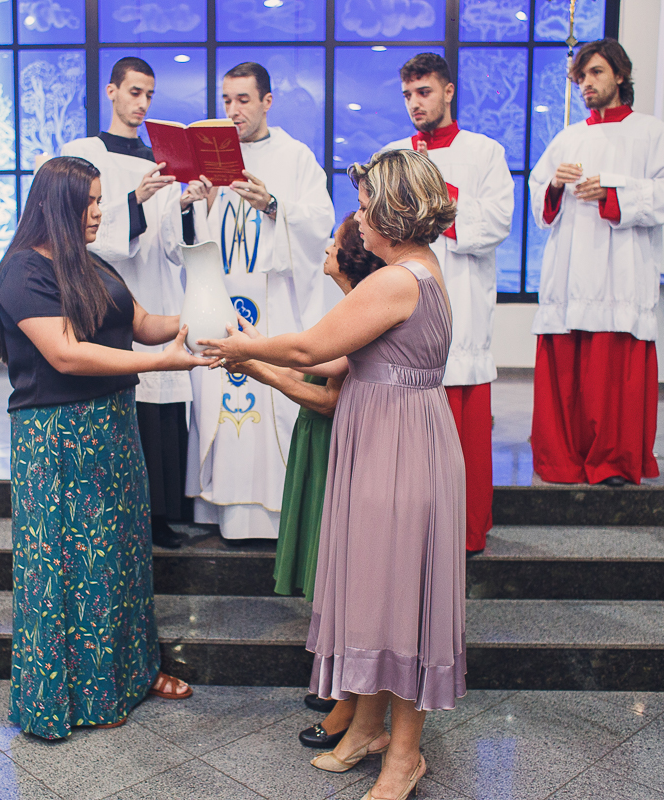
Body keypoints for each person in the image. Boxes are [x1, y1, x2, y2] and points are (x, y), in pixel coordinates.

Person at [201, 149, 465, 800]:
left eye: (368, 202)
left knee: (402, 597)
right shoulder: (408, 273)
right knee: (376, 590)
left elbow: (308, 348)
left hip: (399, 448)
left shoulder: (399, 281)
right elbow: (330, 377)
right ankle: (368, 728)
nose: (359, 214)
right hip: (385, 439)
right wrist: (253, 363)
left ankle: (405, 756)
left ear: (395, 213)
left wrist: (242, 344)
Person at [0, 156, 207, 738]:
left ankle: (132, 676)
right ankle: (77, 694)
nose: (99, 211)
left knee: (123, 558)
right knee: (71, 565)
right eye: (88, 202)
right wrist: (163, 362)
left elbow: (143, 322)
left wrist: (202, 318)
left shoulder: (92, 262)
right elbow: (67, 354)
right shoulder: (21, 273)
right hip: (56, 436)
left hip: (112, 426)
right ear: (56, 205)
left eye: (99, 199)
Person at [228, 212, 383, 750]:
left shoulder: (367, 307)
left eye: (332, 245)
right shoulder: (348, 304)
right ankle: (341, 687)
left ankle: (349, 701)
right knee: (332, 572)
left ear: (350, 256)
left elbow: (325, 393)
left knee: (343, 574)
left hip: (341, 444)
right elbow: (304, 362)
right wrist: (256, 351)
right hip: (323, 444)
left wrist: (255, 360)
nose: (324, 252)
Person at [181, 61, 335, 541]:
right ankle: (220, 510)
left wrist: (272, 206)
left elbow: (319, 224)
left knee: (271, 401)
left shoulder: (296, 157)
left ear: (267, 101)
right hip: (220, 297)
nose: (233, 111)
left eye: (243, 100)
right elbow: (188, 241)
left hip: (273, 302)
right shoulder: (209, 158)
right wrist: (197, 205)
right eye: (226, 101)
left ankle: (272, 518)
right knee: (219, 406)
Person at [528, 39, 664, 486]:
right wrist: (555, 188)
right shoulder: (568, 137)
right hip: (570, 269)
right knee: (569, 372)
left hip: (621, 271)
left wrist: (614, 192)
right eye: (581, 77)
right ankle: (563, 458)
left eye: (595, 73)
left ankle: (614, 461)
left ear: (620, 74)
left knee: (612, 374)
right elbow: (539, 197)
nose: (586, 84)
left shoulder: (651, 133)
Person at [383, 52, 514, 555]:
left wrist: (439, 197)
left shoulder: (485, 152)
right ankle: (413, 534)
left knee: (463, 438)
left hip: (461, 305)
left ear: (448, 91)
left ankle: (465, 532)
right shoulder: (393, 153)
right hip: (403, 307)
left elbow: (498, 221)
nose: (416, 104)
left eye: (425, 92)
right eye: (408, 95)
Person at [60, 57, 191, 549]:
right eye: (134, 92)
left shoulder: (161, 159)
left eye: (149, 95)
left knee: (161, 405)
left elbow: (174, 248)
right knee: (127, 400)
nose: (141, 104)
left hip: (155, 290)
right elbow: (80, 227)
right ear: (112, 91)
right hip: (105, 294)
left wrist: (183, 204)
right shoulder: (81, 152)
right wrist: (135, 201)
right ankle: (124, 512)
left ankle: (161, 516)